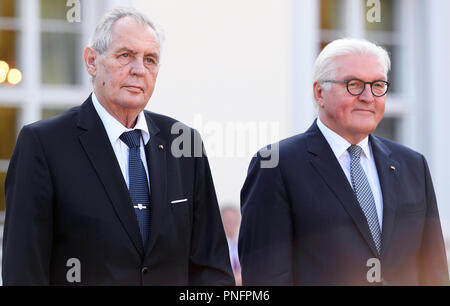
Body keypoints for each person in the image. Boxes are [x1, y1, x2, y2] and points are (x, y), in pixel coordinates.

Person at [2, 7, 234, 285]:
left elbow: (212, 268)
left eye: (150, 60)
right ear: (91, 61)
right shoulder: (43, 145)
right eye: (125, 55)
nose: (139, 70)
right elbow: (24, 271)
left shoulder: (184, 143)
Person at [238, 38, 449, 285]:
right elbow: (266, 278)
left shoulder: (412, 165)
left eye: (378, 85)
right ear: (319, 93)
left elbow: (434, 271)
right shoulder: (276, 165)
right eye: (354, 84)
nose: (368, 97)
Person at [220, 205, 242, 285]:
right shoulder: (217, 249)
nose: (231, 225)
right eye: (228, 221)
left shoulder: (238, 246)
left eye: (234, 221)